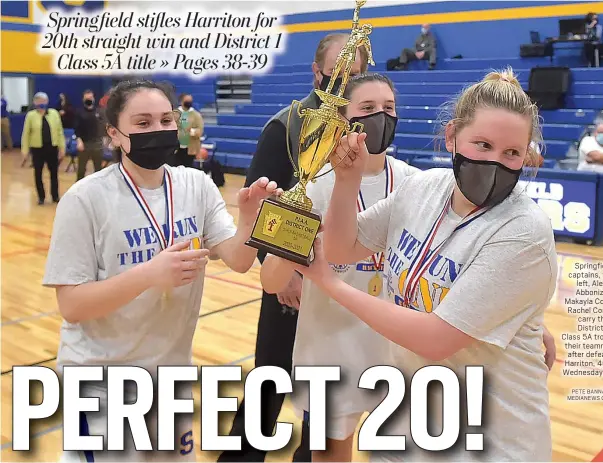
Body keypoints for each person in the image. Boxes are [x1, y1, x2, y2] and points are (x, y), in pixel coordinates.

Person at [294, 68, 558, 461]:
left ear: (527, 156)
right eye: (482, 144)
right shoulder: (424, 187)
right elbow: (342, 248)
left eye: (511, 153)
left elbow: (435, 339)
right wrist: (347, 182)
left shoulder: (524, 233)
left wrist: (332, 286)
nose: (495, 162)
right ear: (452, 136)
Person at [43, 79, 281, 462]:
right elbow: (71, 305)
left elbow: (238, 260)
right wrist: (150, 275)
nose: (158, 130)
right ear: (115, 134)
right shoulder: (85, 198)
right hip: (102, 386)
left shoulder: (196, 184)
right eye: (142, 123)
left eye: (165, 120)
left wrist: (250, 220)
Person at [217, 33, 369, 463]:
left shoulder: (360, 129)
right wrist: (281, 270)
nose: (345, 80)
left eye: (354, 74)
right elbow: (260, 204)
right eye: (337, 71)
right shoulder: (284, 127)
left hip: (340, 286)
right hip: (290, 285)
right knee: (269, 384)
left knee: (323, 392)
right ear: (316, 71)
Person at [259, 73, 418, 462]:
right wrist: (284, 241)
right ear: (344, 119)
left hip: (399, 350)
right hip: (332, 349)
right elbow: (271, 281)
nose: (381, 116)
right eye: (368, 109)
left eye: (389, 108)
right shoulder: (316, 185)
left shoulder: (416, 183)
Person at [21, 92, 65, 204]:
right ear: (35, 103)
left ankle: (55, 196)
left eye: (44, 101)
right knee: (38, 173)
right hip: (37, 149)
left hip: (52, 147)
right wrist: (24, 151)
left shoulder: (54, 114)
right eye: (39, 101)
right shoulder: (31, 115)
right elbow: (26, 134)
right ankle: (41, 197)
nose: (42, 103)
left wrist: (62, 148)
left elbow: (60, 132)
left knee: (54, 173)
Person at [75, 89, 104, 180]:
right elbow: (76, 129)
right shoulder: (79, 113)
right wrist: (79, 141)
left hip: (97, 144)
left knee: (99, 171)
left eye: (90, 97)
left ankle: (98, 191)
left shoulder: (99, 112)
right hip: (84, 144)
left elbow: (104, 126)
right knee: (81, 170)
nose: (89, 100)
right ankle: (78, 191)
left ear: (94, 99)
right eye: (87, 98)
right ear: (83, 99)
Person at [171, 92, 204, 168]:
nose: (189, 102)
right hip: (176, 148)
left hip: (190, 148)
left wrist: (191, 131)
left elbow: (200, 130)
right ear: (181, 101)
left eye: (190, 101)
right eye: (187, 100)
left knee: (187, 169)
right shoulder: (175, 114)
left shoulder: (196, 115)